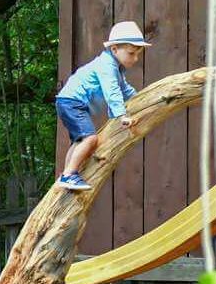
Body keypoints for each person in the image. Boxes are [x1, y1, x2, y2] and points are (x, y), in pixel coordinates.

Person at [53, 21, 151, 191]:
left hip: (69, 101)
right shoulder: (107, 67)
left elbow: (124, 89)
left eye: (137, 54)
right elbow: (112, 92)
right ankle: (69, 175)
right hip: (72, 102)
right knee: (90, 139)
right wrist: (121, 116)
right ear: (114, 49)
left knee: (79, 141)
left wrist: (142, 98)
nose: (135, 59)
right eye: (131, 54)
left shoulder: (115, 68)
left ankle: (65, 175)